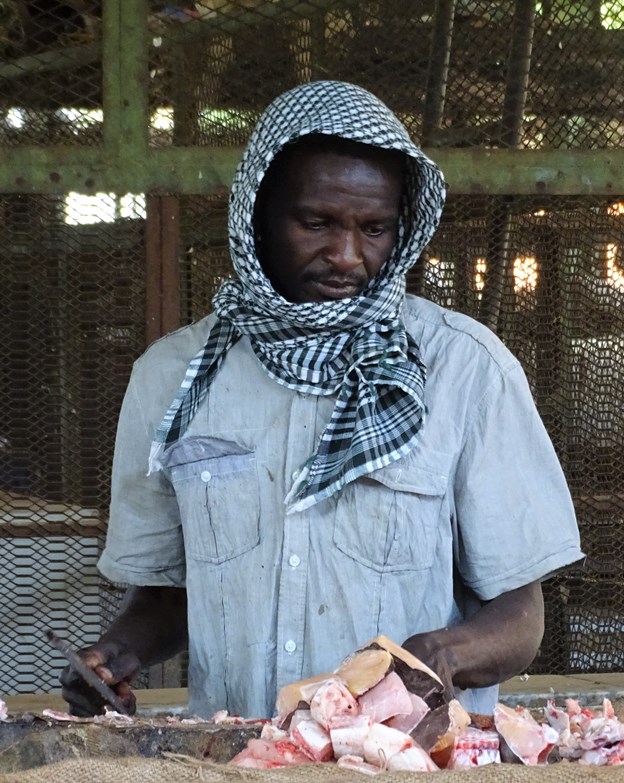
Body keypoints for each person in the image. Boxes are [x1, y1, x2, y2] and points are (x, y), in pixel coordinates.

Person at [60, 81, 584, 720]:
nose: (346, 256)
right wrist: (116, 654)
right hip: (242, 757)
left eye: (374, 229)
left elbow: (520, 617)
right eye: (316, 223)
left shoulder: (465, 371)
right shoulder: (173, 379)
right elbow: (172, 595)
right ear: (257, 215)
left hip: (408, 757)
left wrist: (438, 657)